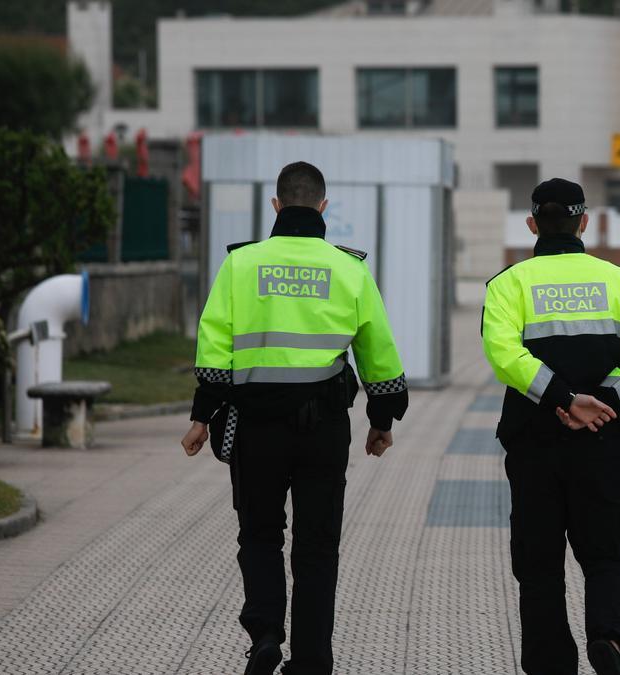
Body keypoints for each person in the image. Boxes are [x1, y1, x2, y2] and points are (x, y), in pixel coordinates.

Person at [179, 161, 410, 675]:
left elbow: (214, 344)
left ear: (277, 206)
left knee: (259, 534)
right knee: (317, 545)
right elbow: (379, 353)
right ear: (324, 207)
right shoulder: (349, 268)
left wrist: (201, 417)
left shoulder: (241, 265)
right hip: (322, 429)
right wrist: (382, 419)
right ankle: (311, 660)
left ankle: (264, 635)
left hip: (254, 427)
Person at [482, 178, 620, 675]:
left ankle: (549, 665)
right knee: (605, 552)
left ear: (533, 224)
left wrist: (562, 399)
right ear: (584, 221)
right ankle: (609, 638)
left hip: (534, 443)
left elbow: (504, 356)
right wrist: (599, 404)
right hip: (601, 441)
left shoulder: (508, 284)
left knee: (538, 566)